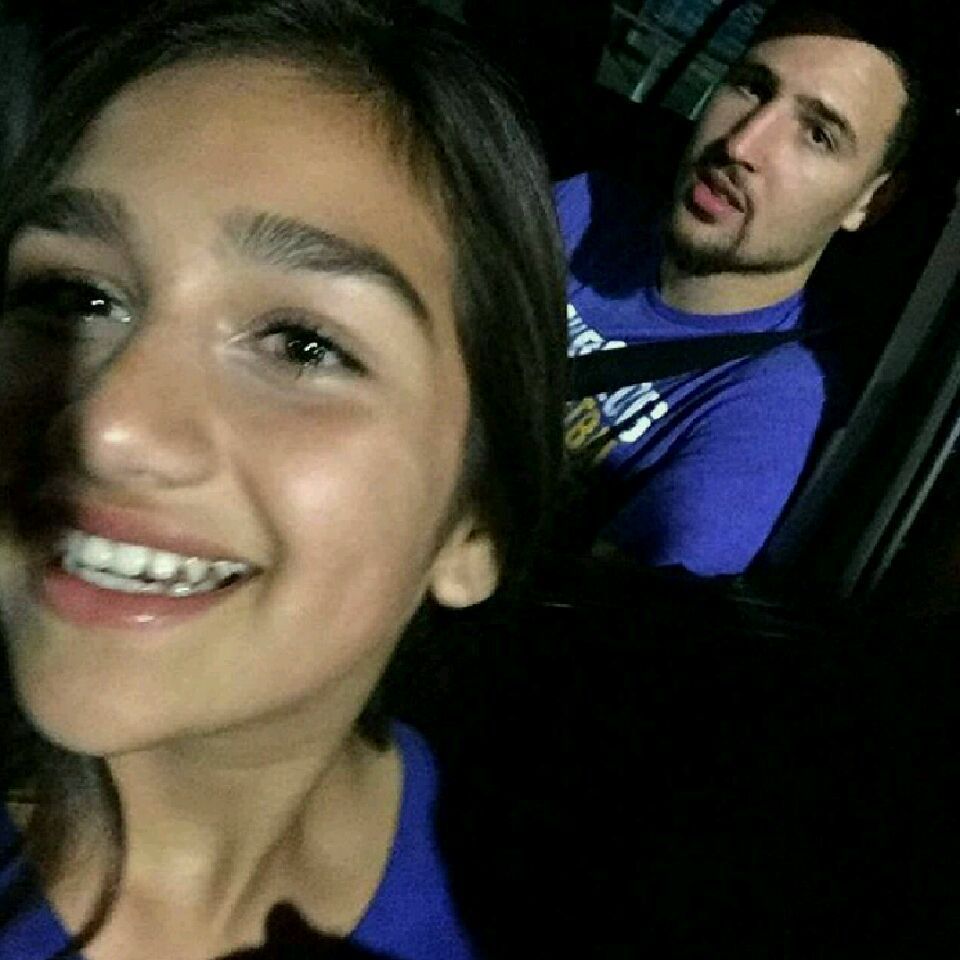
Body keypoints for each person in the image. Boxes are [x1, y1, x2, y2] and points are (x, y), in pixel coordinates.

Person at [0, 1, 568, 956]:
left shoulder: (547, 884)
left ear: (475, 527)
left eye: (303, 345)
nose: (109, 425)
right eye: (75, 296)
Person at [559, 2, 924, 576]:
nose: (742, 145)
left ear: (870, 202)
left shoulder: (769, 401)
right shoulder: (585, 207)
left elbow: (616, 610)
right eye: (752, 87)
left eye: (818, 135)